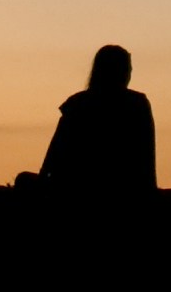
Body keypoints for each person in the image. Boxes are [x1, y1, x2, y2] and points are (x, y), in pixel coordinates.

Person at [14, 44, 156, 192]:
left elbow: (55, 151)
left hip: (80, 185)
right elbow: (146, 155)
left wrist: (45, 178)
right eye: (127, 69)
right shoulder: (137, 104)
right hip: (118, 185)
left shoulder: (78, 103)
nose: (129, 74)